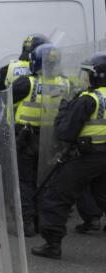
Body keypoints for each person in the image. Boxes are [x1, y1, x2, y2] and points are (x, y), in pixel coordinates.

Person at [32, 52, 106, 259]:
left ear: (98, 76)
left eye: (88, 74)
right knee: (102, 195)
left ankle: (52, 244)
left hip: (87, 157)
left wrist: (64, 109)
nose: (85, 78)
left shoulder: (88, 100)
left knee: (56, 196)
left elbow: (64, 132)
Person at [11, 43, 69, 236]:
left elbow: (5, 100)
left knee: (25, 181)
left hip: (26, 139)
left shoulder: (28, 83)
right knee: (44, 181)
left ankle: (27, 222)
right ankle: (42, 222)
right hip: (51, 140)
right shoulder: (65, 84)